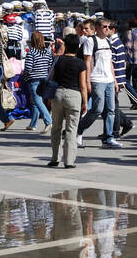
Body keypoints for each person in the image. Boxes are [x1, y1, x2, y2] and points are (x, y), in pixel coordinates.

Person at [79, 18, 121, 148]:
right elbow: (87, 62)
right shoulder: (91, 41)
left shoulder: (108, 41)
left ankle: (108, 137)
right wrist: (87, 81)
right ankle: (78, 131)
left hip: (108, 79)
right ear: (97, 28)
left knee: (111, 110)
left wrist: (115, 80)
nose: (107, 29)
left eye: (108, 26)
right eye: (104, 27)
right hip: (97, 79)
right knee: (97, 109)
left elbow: (110, 62)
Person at [48, 35, 87, 168]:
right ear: (78, 47)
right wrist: (85, 102)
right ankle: (69, 161)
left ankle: (55, 158)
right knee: (71, 129)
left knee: (56, 127)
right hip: (74, 95)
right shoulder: (80, 63)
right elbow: (83, 85)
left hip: (58, 94)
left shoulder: (58, 60)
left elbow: (51, 77)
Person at [21, 29, 54, 131]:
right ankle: (33, 124)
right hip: (44, 78)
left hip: (34, 79)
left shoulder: (31, 52)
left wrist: (25, 75)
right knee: (37, 101)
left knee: (37, 101)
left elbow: (28, 68)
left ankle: (48, 121)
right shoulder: (47, 52)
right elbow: (50, 66)